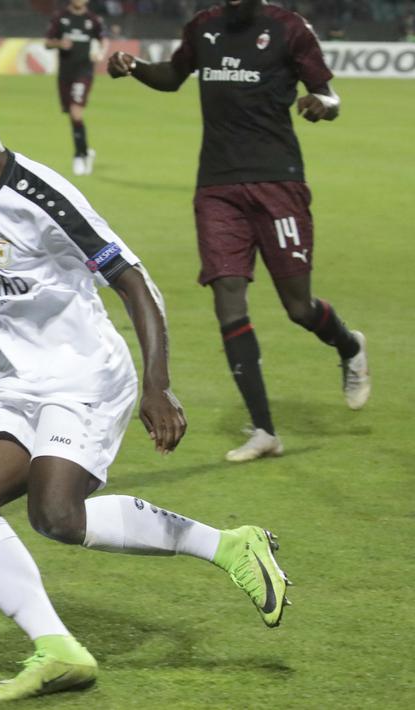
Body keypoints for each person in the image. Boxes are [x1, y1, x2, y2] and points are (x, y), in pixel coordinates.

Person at [0, 57, 291, 703]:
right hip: (18, 380)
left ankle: (230, 546)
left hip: (86, 375)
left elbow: (130, 279)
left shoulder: (40, 194)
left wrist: (157, 384)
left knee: (56, 515)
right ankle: (57, 650)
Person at [108, 0, 369, 462]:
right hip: (217, 186)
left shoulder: (290, 28)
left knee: (298, 307)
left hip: (277, 182)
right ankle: (264, 430)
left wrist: (319, 105)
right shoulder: (203, 27)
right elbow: (173, 75)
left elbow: (330, 95)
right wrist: (134, 68)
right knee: (228, 301)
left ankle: (349, 344)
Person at [44, 0, 106, 176]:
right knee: (71, 115)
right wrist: (59, 44)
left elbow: (103, 40)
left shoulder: (92, 19)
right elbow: (47, 42)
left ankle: (79, 155)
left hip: (84, 73)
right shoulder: (60, 17)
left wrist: (99, 53)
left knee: (76, 112)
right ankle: (85, 150)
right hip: (65, 74)